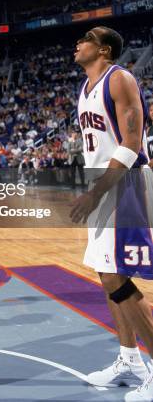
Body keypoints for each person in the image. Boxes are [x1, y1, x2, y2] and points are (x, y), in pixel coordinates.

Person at [70, 27, 153, 401]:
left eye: (86, 38)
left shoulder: (118, 79)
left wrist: (96, 192)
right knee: (108, 276)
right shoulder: (85, 89)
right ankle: (130, 358)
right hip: (104, 186)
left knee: (116, 278)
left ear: (103, 49)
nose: (78, 42)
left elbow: (132, 143)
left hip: (125, 185)